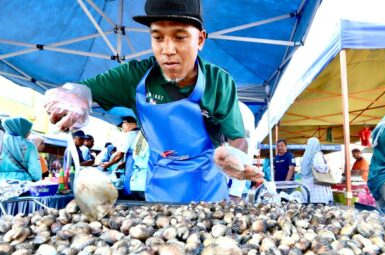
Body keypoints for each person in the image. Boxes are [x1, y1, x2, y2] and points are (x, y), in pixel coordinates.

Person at [44, 0, 262, 203]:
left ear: (201, 40)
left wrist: (235, 157)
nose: (167, 50)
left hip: (208, 188)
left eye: (180, 37)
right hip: (159, 188)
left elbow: (237, 137)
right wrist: (72, 95)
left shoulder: (218, 82)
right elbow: (83, 90)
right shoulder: (134, 77)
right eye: (158, 38)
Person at [101, 116, 140, 196]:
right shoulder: (139, 134)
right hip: (136, 163)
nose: (122, 129)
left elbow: (119, 155)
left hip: (132, 164)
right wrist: (124, 163)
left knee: (129, 183)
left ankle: (130, 198)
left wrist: (109, 164)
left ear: (126, 124)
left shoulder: (129, 134)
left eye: (121, 127)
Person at [0, 117, 42, 182]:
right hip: (22, 183)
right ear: (21, 128)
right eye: (28, 129)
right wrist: (37, 179)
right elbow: (35, 171)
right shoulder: (30, 146)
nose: (29, 132)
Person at [300, 137, 333, 204]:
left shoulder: (305, 155)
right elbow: (318, 166)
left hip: (306, 181)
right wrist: (327, 167)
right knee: (318, 203)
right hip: (316, 182)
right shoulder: (317, 153)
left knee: (309, 201)